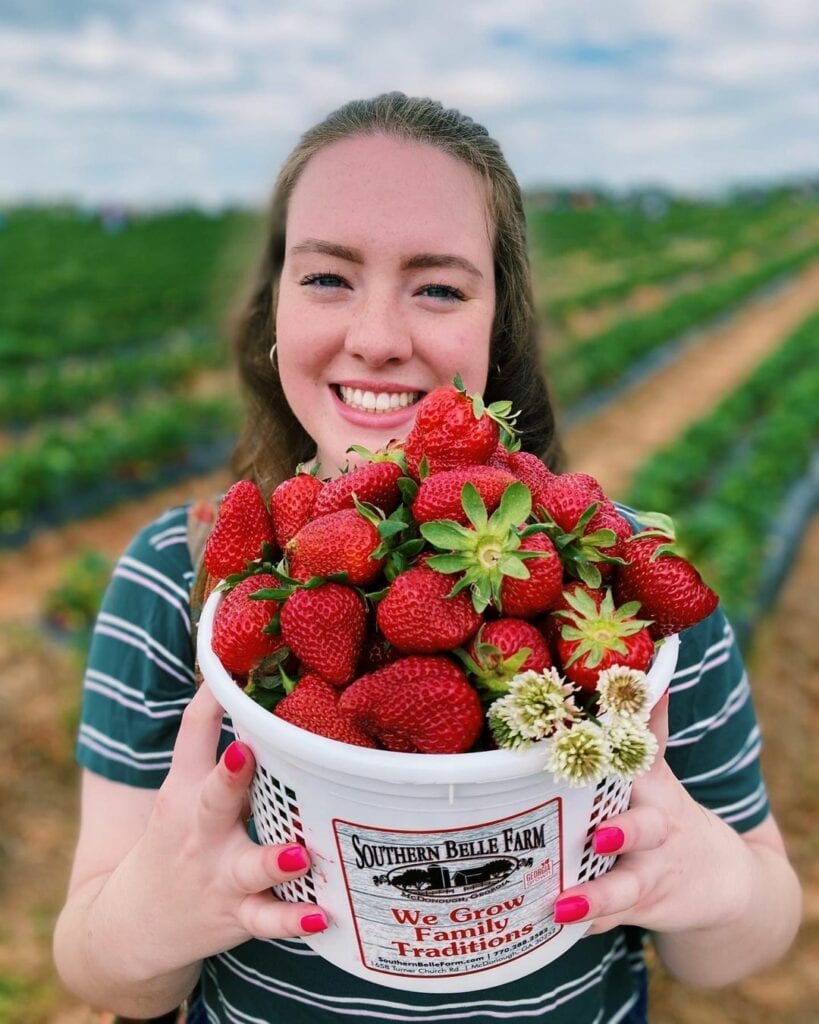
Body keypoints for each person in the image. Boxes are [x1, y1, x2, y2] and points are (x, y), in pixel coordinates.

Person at [53, 92, 801, 1023]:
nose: (374, 337)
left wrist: (710, 880)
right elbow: (94, 963)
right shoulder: (184, 576)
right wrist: (157, 913)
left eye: (439, 287)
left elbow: (752, 932)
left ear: (500, 326)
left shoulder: (620, 591)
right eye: (326, 277)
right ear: (274, 307)